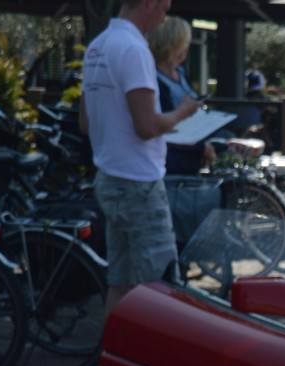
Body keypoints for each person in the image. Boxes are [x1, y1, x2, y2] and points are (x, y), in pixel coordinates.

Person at [79, 0, 200, 314]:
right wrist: (183, 113)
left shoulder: (97, 46)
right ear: (148, 3)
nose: (165, 16)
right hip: (139, 183)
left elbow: (85, 122)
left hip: (109, 178)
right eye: (164, 7)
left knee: (120, 284)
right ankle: (153, 361)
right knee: (161, 289)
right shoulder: (134, 49)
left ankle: (114, 360)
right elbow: (147, 126)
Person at [147, 16, 216, 175]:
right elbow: (162, 123)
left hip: (192, 150)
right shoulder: (154, 78)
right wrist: (201, 148)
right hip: (174, 159)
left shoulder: (180, 72)